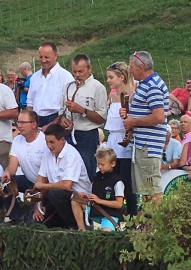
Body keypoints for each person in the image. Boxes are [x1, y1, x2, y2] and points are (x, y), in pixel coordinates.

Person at [120, 51, 169, 202]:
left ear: (141, 67)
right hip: (143, 146)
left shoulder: (152, 86)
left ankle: (158, 224)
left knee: (152, 190)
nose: (130, 70)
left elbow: (158, 117)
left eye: (131, 67)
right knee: (146, 191)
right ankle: (149, 224)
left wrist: (133, 122)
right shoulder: (146, 84)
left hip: (148, 146)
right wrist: (129, 114)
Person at [58, 54, 107, 181]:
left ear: (89, 69)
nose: (77, 75)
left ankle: (88, 198)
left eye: (81, 71)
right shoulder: (68, 86)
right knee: (67, 169)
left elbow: (102, 118)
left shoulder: (98, 88)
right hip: (69, 134)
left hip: (87, 135)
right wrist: (63, 119)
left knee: (86, 171)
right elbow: (61, 110)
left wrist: (82, 110)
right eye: (74, 71)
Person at [32, 124, 91, 229]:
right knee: (34, 224)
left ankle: (74, 227)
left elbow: (66, 185)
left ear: (62, 140)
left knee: (55, 194)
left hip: (79, 200)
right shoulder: (47, 153)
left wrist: (42, 186)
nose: (48, 146)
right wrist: (37, 205)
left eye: (51, 142)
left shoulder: (71, 155)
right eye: (46, 142)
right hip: (57, 199)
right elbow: (40, 179)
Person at [0, 110, 47, 224]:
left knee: (32, 223)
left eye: (23, 122)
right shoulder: (17, 140)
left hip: (45, 185)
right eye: (18, 122)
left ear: (34, 124)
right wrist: (7, 173)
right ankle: (16, 217)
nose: (19, 125)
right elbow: (12, 166)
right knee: (2, 182)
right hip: (29, 181)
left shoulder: (44, 141)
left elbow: (47, 176)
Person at [104, 62, 137, 217]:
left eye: (111, 77)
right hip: (112, 139)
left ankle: (132, 214)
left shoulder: (132, 94)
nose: (108, 80)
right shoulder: (112, 95)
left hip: (124, 141)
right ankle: (114, 214)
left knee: (125, 180)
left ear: (121, 77)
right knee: (112, 178)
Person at [72, 148, 124, 232]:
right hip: (95, 211)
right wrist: (86, 197)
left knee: (105, 235)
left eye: (102, 164)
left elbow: (119, 204)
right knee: (75, 199)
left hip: (109, 214)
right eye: (98, 164)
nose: (99, 167)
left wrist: (99, 201)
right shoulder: (96, 178)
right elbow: (93, 197)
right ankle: (82, 231)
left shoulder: (117, 181)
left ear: (113, 164)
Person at [26, 41, 74, 128]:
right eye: (41, 57)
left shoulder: (65, 77)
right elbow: (30, 102)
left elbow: (68, 106)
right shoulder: (34, 77)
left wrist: (53, 124)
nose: (43, 60)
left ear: (55, 56)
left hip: (56, 120)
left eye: (47, 57)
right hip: (36, 119)